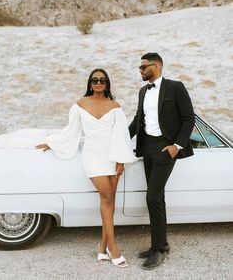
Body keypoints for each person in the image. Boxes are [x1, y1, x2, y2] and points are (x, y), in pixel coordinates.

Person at [36, 68, 137, 268]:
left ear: (107, 84)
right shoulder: (80, 105)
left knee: (110, 201)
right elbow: (71, 131)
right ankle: (113, 248)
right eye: (95, 80)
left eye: (102, 80)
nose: (98, 83)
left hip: (112, 156)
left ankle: (102, 247)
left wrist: (120, 160)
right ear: (90, 83)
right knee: (107, 197)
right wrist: (52, 143)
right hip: (93, 157)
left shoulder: (114, 106)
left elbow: (120, 135)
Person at [129, 53, 195, 270]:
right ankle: (162, 245)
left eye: (143, 67)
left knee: (152, 197)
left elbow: (188, 118)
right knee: (158, 197)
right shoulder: (143, 91)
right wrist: (118, 139)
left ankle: (157, 250)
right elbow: (139, 120)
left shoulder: (175, 87)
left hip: (166, 149)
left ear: (155, 66)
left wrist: (177, 146)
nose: (140, 70)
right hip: (147, 149)